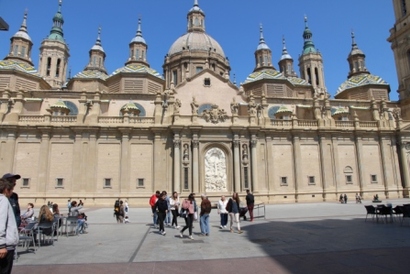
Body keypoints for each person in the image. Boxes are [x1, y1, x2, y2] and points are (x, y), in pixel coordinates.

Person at [0, 178, 19, 274]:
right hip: (5, 246)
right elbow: (1, 222)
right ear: (6, 190)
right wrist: (1, 245)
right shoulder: (3, 200)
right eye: (12, 190)